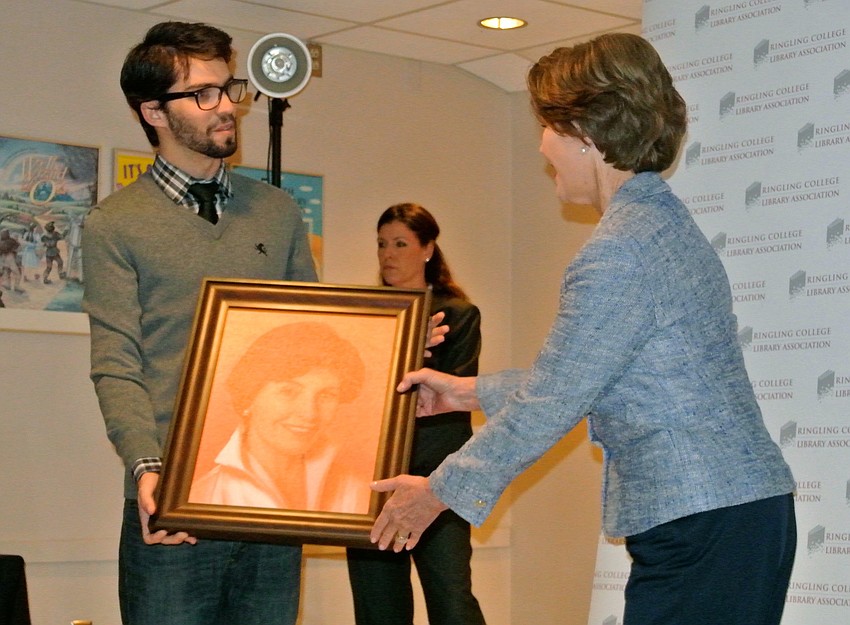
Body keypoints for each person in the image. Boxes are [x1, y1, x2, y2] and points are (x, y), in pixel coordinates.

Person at [370, 33, 797, 625]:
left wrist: (436, 491)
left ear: (586, 137)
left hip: (704, 520)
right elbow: (587, 374)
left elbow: (555, 398)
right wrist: (466, 391)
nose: (542, 146)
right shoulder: (654, 222)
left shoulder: (619, 250)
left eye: (548, 127)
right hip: (724, 514)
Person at [82, 21, 316, 625]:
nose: (227, 107)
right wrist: (145, 465)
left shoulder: (279, 212)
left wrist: (387, 347)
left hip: (272, 495)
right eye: (203, 94)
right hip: (173, 492)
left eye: (227, 87)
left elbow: (309, 338)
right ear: (154, 112)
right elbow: (117, 363)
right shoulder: (115, 225)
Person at [347, 203, 486, 625]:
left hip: (435, 480)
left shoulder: (457, 314)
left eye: (401, 243)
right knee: (378, 608)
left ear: (428, 249)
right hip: (373, 481)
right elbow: (350, 396)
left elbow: (449, 408)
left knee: (451, 603)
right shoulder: (365, 315)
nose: (388, 254)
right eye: (382, 244)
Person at [190, 321, 369, 513]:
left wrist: (401, 535)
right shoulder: (203, 497)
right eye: (288, 391)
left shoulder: (356, 491)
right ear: (249, 396)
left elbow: (396, 540)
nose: (309, 413)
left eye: (326, 395)